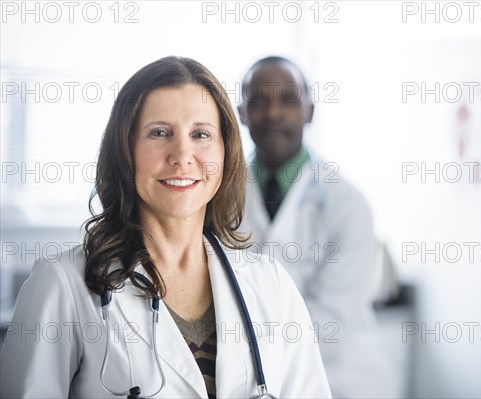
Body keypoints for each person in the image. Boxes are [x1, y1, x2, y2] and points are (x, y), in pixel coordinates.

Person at [0, 56, 331, 399]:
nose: (182, 155)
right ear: (125, 150)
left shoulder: (271, 285)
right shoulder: (62, 287)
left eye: (201, 134)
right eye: (159, 133)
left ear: (224, 151)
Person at [237, 56, 398, 398]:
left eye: (289, 99)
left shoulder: (348, 204)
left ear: (310, 111)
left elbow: (332, 320)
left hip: (342, 379)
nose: (273, 113)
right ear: (240, 112)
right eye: (258, 100)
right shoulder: (218, 199)